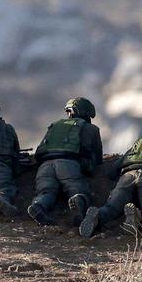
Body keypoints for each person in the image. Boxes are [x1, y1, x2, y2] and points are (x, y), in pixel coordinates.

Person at [80, 116, 142, 237]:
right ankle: (139, 216)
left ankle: (98, 216)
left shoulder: (141, 141)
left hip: (127, 175)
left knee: (112, 208)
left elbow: (117, 166)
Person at [27, 97, 103, 227]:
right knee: (76, 189)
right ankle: (77, 203)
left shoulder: (55, 125)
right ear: (86, 112)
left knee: (46, 191)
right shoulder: (90, 128)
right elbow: (97, 157)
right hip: (68, 164)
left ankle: (39, 205)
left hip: (45, 166)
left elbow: (40, 150)